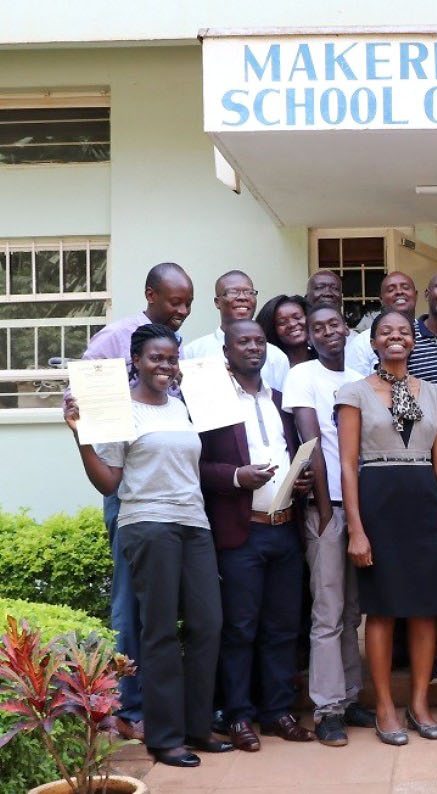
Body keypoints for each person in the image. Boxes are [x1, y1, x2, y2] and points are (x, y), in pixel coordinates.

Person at [64, 323, 230, 767]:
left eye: (171, 358)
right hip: (148, 524)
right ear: (135, 361)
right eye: (156, 358)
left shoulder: (180, 407)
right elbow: (109, 480)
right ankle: (164, 736)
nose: (166, 365)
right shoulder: (123, 414)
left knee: (208, 625)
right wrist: (80, 436)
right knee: (157, 631)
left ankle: (197, 727)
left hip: (194, 524)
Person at [336, 310, 437, 746]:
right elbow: (348, 466)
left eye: (404, 332)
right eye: (386, 332)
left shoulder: (435, 393)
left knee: (426, 607)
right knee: (383, 608)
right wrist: (356, 528)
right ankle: (386, 706)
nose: (395, 337)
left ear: (414, 341)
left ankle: (420, 702)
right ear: (372, 343)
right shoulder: (353, 393)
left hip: (424, 501)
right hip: (378, 502)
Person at [81, 261, 194, 742]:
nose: (182, 311)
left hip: (177, 501)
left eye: (187, 303)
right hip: (130, 495)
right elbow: (84, 399)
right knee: (131, 603)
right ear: (150, 294)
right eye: (175, 302)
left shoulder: (177, 345)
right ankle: (129, 707)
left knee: (170, 608)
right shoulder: (115, 339)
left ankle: (163, 703)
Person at [198, 320, 315, 750]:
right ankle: (239, 715)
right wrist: (234, 476)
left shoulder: (280, 402)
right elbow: (197, 466)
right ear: (226, 350)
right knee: (241, 629)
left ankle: (278, 711)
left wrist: (299, 483)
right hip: (241, 533)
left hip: (284, 529)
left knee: (282, 628)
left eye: (259, 341)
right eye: (243, 341)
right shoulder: (213, 406)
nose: (253, 347)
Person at [279, 304, 373, 746]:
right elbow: (310, 439)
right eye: (318, 328)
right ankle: (327, 707)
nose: (327, 332)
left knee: (354, 610)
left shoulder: (357, 377)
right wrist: (323, 506)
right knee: (328, 611)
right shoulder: (304, 375)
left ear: (347, 330)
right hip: (328, 506)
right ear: (310, 338)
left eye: (334, 324)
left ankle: (351, 695)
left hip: (360, 505)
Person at [183, 270, 290, 390]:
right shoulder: (193, 352)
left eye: (249, 292)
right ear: (217, 302)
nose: (243, 298)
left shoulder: (275, 357)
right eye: (233, 292)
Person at [344, 271, 418, 375]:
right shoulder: (362, 343)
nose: (399, 292)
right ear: (381, 299)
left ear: (416, 295)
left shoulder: (428, 337)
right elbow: (352, 385)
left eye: (405, 287)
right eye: (391, 290)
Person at [255, 294, 314, 367]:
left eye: (297, 317)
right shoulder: (268, 365)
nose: (292, 324)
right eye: (282, 322)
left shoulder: (325, 358)